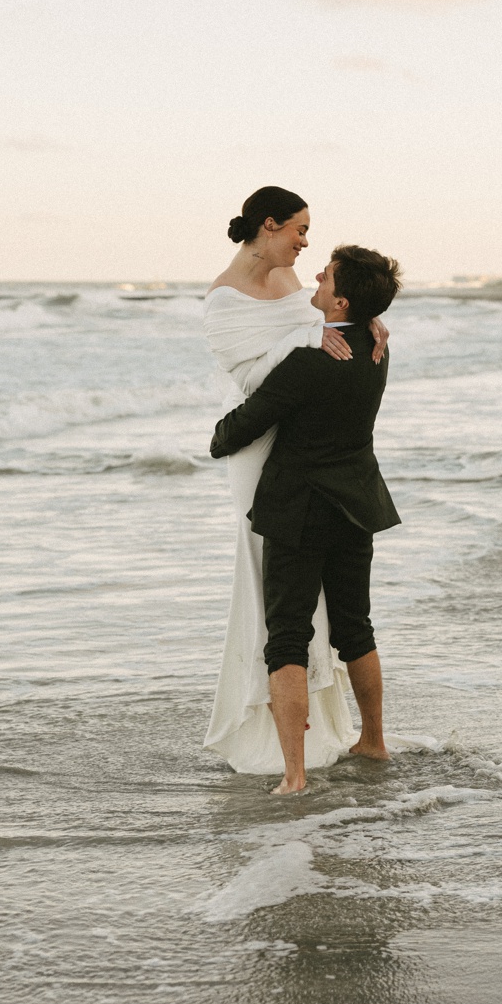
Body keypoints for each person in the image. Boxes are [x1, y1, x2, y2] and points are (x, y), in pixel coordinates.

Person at [200, 187, 388, 776]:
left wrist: (366, 316)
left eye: (311, 235)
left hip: (292, 464)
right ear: (270, 225)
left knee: (293, 620)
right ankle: (342, 736)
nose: (307, 245)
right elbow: (256, 372)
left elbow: (323, 327)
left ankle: (297, 765)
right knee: (316, 607)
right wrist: (328, 329)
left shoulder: (302, 298)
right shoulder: (223, 300)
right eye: (300, 230)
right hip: (282, 463)